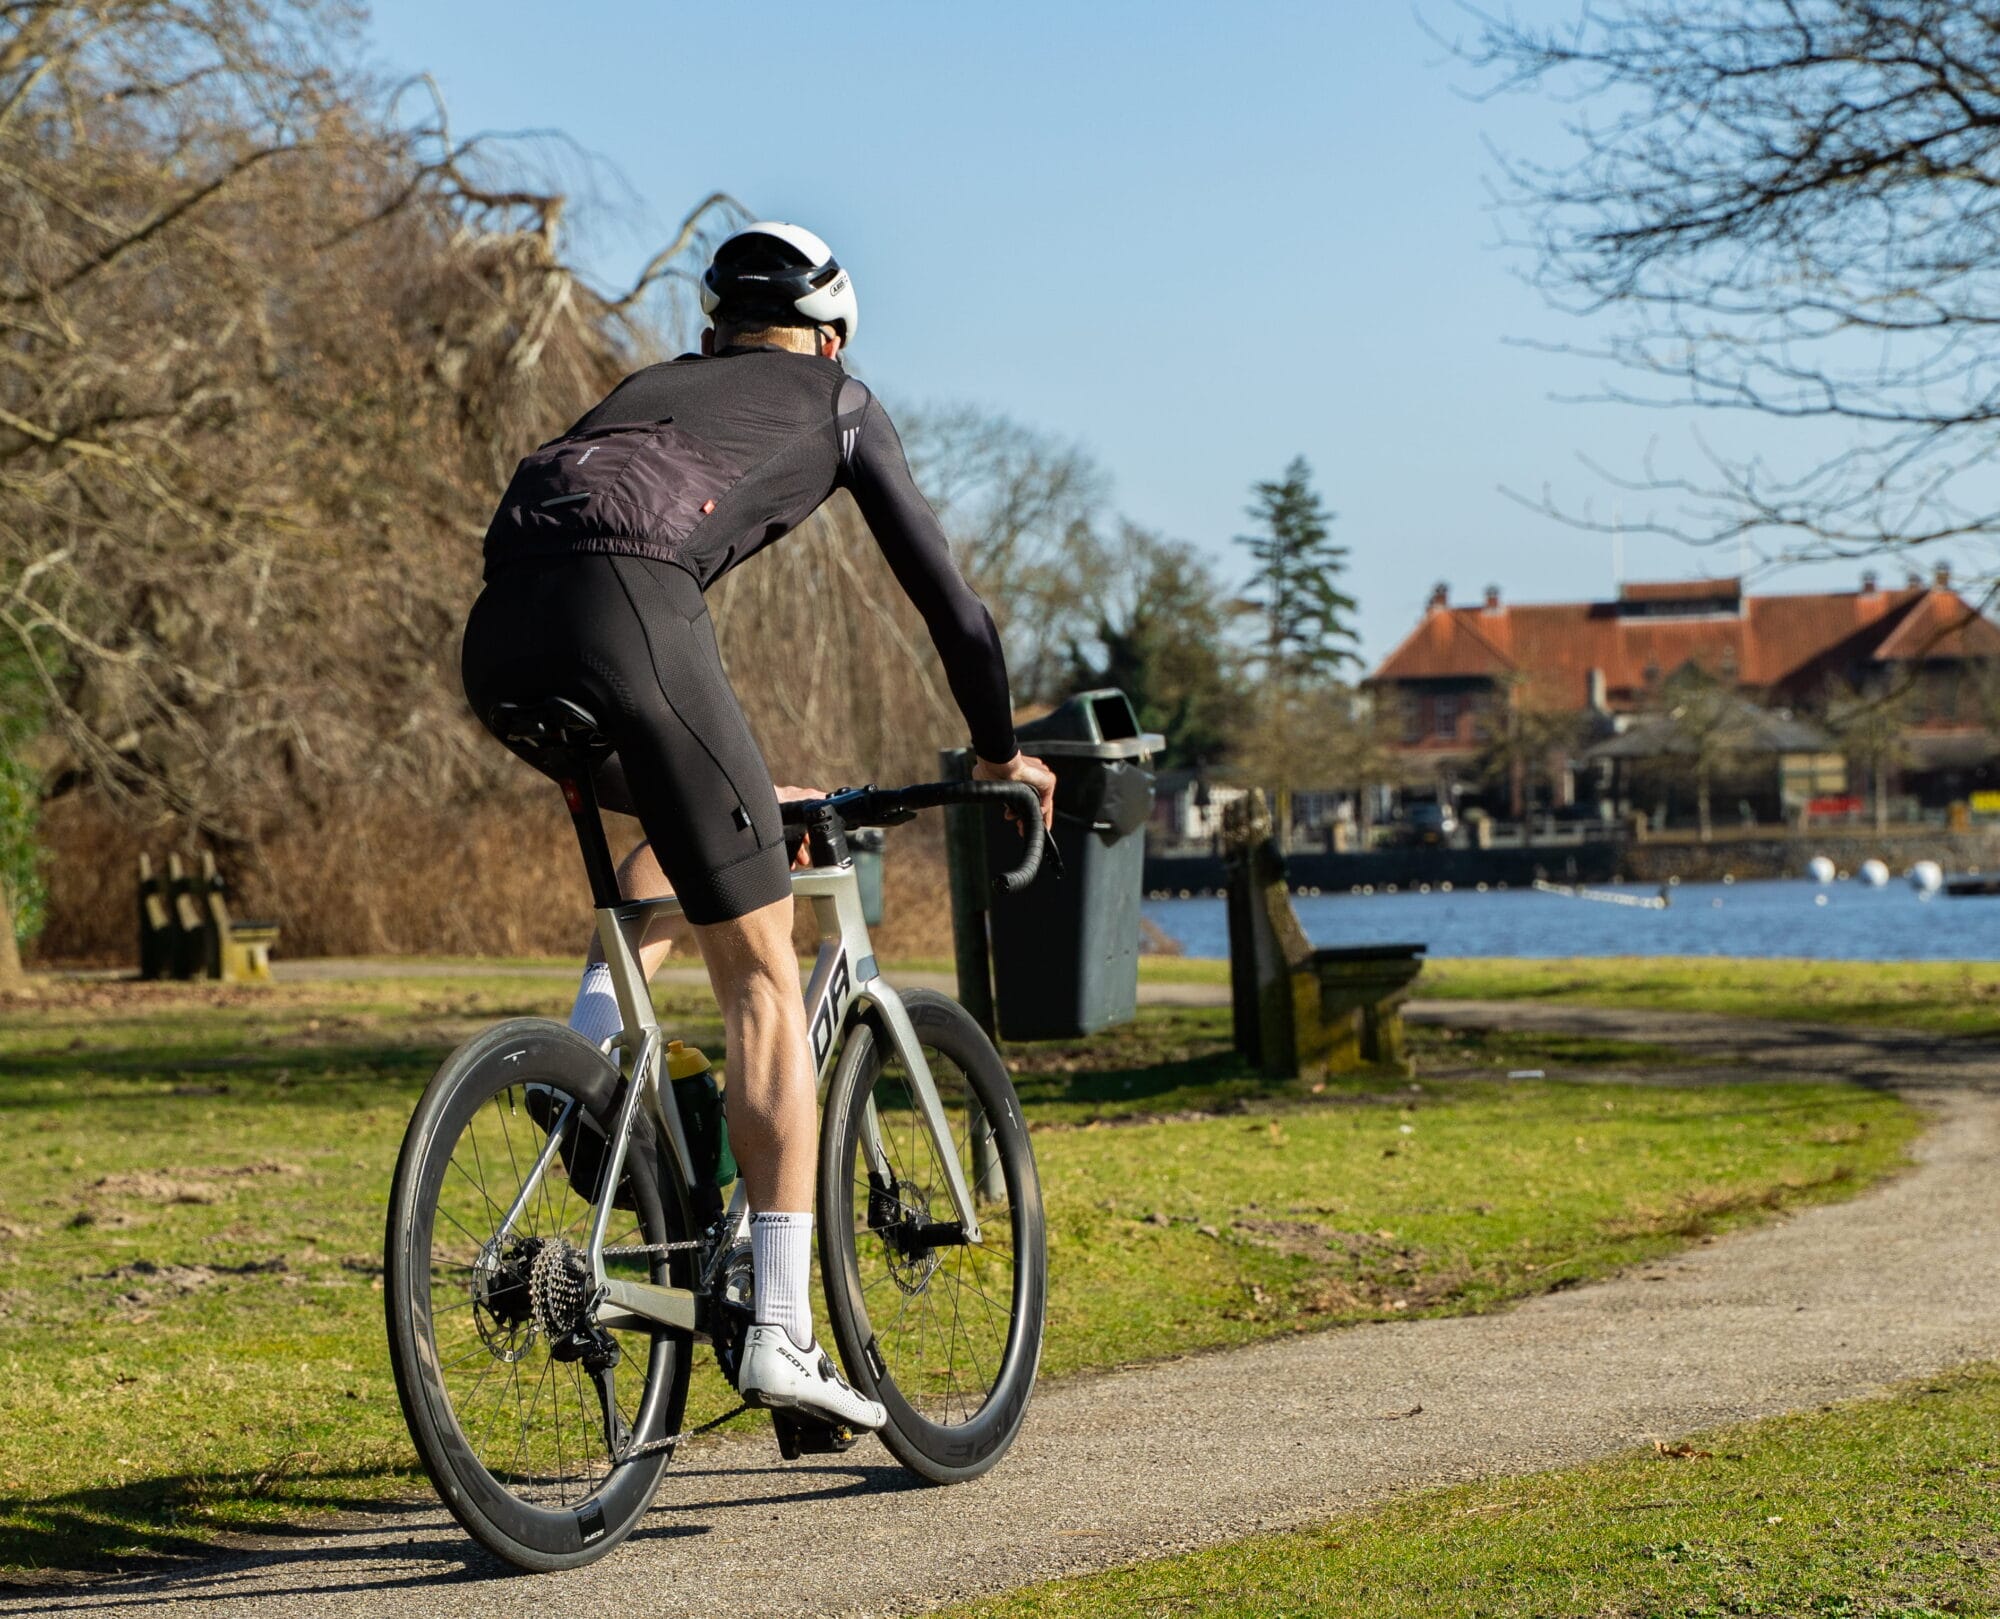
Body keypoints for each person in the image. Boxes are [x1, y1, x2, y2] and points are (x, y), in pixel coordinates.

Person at [460, 222, 1055, 1435]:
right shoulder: (837, 398)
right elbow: (955, 611)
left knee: (711, 817)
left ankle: (590, 1059)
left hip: (500, 636)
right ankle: (783, 1327)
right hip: (631, 617)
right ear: (830, 333)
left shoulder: (648, 390)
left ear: (719, 327)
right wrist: (998, 747)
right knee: (765, 981)